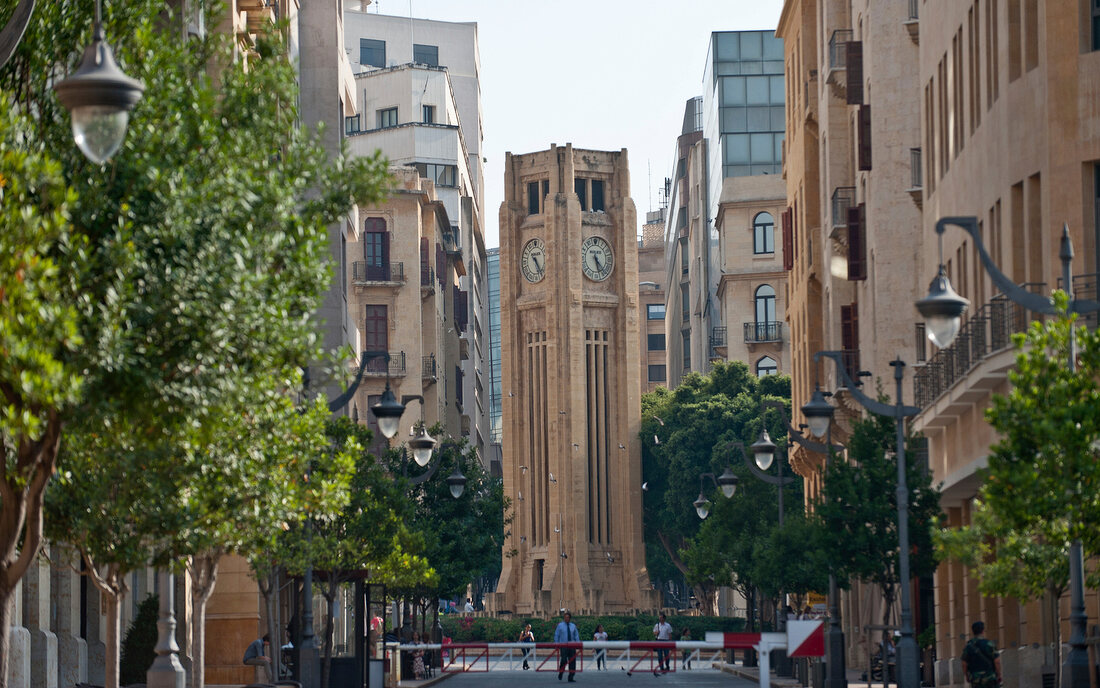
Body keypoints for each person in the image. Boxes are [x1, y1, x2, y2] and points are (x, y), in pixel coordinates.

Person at [961, 620, 1002, 688]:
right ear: (983, 631)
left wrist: (966, 675)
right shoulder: (989, 644)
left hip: (976, 678)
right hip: (990, 677)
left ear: (973, 632)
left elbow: (964, 663)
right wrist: (999, 674)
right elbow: (997, 661)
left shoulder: (968, 647)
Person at [554, 610, 580, 682]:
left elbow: (576, 635)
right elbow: (557, 635)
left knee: (572, 661)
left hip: (572, 645)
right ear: (564, 618)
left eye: (568, 617)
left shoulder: (573, 626)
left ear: (570, 618)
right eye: (565, 617)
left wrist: (578, 644)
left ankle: (571, 677)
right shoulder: (560, 625)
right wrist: (556, 644)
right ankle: (561, 672)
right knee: (564, 660)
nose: (566, 619)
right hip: (563, 645)